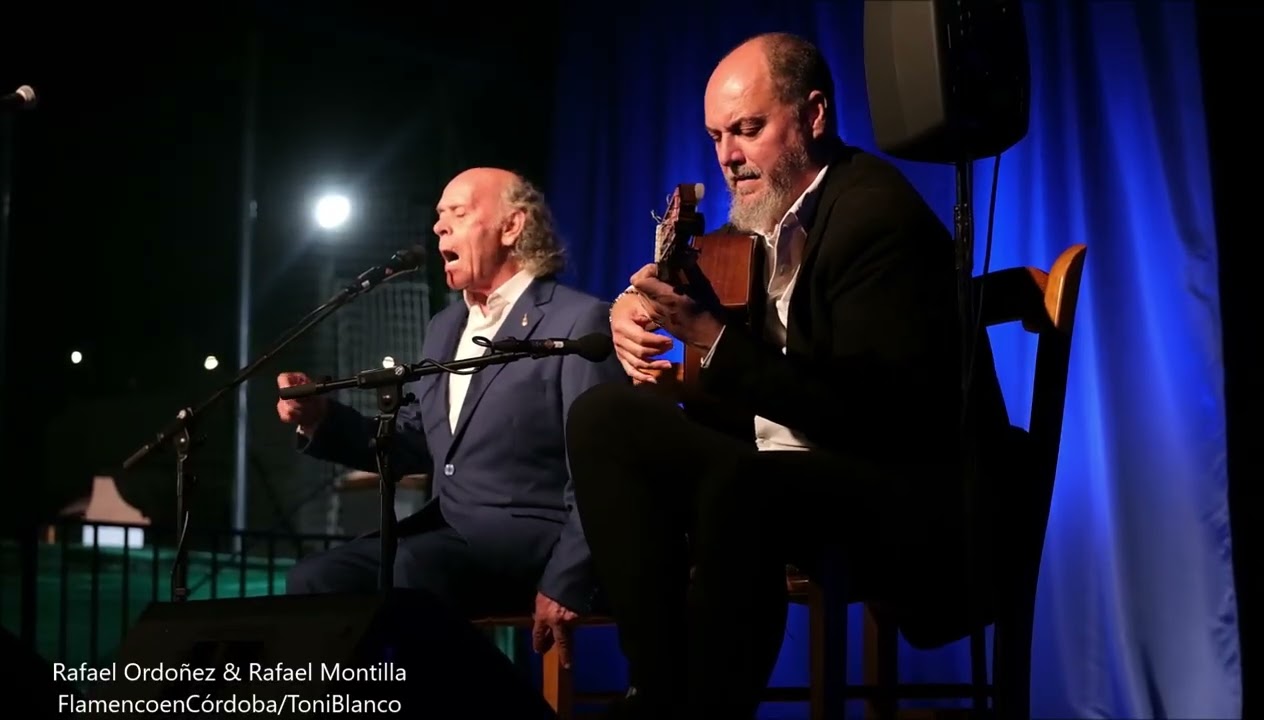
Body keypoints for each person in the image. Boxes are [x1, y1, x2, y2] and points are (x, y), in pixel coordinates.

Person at [565, 33, 1019, 717]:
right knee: (605, 419)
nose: (728, 157)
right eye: (717, 135)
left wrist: (711, 337)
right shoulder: (765, 222)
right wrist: (642, 310)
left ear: (813, 115)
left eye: (748, 129)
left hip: (897, 488)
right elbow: (739, 376)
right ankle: (658, 687)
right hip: (779, 468)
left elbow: (861, 415)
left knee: (743, 481)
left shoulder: (875, 216)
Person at [278, 167, 627, 666]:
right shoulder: (446, 326)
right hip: (447, 533)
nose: (439, 227)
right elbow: (416, 440)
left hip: (532, 535)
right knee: (314, 579)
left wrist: (569, 574)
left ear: (512, 227)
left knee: (417, 566)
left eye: (458, 214)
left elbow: (601, 472)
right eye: (438, 217)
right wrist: (320, 418)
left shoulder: (577, 320)